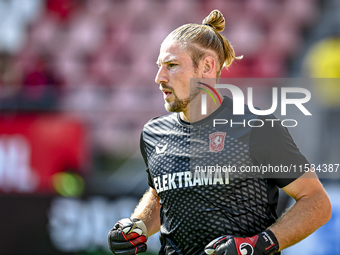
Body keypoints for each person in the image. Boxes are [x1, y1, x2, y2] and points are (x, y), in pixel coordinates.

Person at [108, 10, 331, 255]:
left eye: (171, 65)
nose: (158, 77)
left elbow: (316, 202)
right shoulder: (153, 133)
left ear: (206, 66)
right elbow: (160, 198)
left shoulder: (256, 126)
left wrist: (256, 245)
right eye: (159, 66)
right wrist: (137, 225)